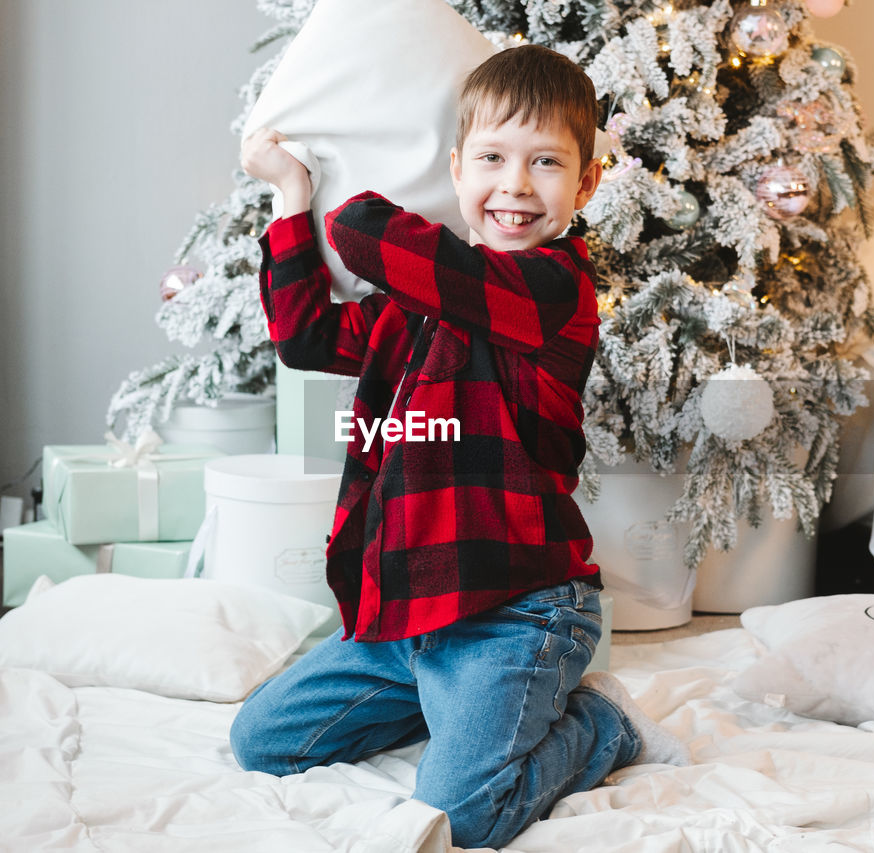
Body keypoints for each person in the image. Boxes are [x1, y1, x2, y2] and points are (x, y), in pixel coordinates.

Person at [231, 44, 689, 849]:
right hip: (408, 611)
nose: (514, 185)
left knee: (463, 813)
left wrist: (369, 168)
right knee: (264, 740)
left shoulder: (552, 289)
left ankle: (602, 727)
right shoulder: (412, 308)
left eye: (545, 163)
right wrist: (291, 190)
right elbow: (303, 336)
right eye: (491, 159)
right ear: (456, 167)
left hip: (517, 610)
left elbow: (371, 234)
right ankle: (442, 701)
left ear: (584, 184)